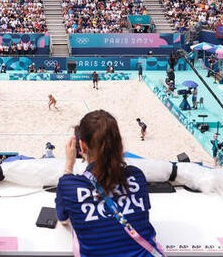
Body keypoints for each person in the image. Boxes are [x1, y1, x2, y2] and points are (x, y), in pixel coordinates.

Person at [56, 110, 162, 257]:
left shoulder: (69, 186)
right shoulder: (136, 176)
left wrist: (69, 165)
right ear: (118, 143)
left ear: (82, 146)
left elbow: (64, 220)